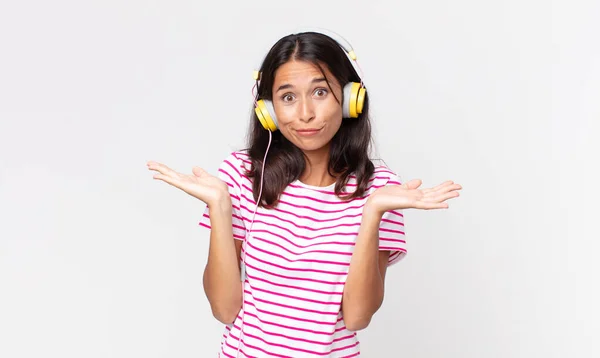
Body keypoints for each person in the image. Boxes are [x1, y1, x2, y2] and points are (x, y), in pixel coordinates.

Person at [147, 29, 462, 357]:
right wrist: (219, 207)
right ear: (268, 111)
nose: (305, 113)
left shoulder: (382, 190)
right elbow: (224, 311)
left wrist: (372, 214)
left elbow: (356, 317)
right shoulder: (242, 175)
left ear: (351, 99)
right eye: (287, 97)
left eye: (320, 92)